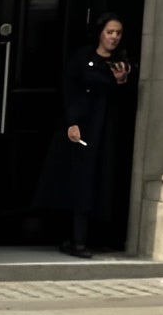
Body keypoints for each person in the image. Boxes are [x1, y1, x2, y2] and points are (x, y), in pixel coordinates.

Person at [33, 14, 134, 257]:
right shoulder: (83, 57)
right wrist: (72, 122)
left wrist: (121, 82)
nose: (114, 37)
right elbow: (70, 89)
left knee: (102, 179)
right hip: (83, 127)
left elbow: (126, 100)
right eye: (110, 32)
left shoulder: (122, 62)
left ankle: (99, 237)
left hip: (107, 128)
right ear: (100, 32)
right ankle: (75, 239)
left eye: (118, 33)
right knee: (79, 180)